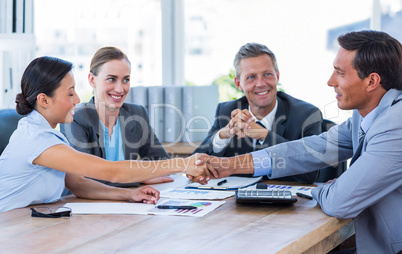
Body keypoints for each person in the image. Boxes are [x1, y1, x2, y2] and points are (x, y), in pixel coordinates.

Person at [193, 30, 402, 254]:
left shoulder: (396, 125)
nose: (330, 81)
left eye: (340, 73)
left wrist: (320, 190)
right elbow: (313, 149)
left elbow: (339, 202)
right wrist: (230, 165)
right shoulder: (367, 116)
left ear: (372, 81)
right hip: (371, 251)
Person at [0, 56, 215, 213]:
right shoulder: (37, 140)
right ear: (44, 100)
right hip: (10, 226)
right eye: (70, 93)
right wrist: (183, 163)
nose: (76, 99)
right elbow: (111, 172)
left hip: (29, 222)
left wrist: (128, 194)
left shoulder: (49, 135)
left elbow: (78, 184)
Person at [194, 42, 323, 183]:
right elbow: (194, 164)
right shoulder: (226, 111)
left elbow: (311, 173)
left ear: (277, 76)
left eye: (267, 74)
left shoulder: (307, 115)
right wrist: (222, 136)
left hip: (285, 202)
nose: (261, 83)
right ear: (238, 84)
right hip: (234, 201)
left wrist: (264, 135)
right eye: (251, 77)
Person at [61, 47, 171, 188]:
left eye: (126, 80)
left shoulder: (137, 113)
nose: (120, 89)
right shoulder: (75, 118)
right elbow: (85, 176)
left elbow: (161, 162)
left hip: (127, 203)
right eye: (111, 79)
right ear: (92, 80)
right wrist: (139, 177)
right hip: (84, 204)